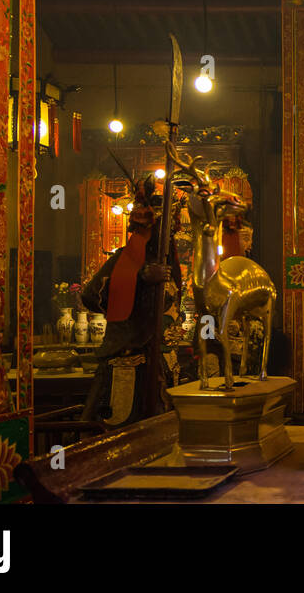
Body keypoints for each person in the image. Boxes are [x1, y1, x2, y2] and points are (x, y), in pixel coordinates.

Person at [81, 177, 175, 425]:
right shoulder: (125, 260)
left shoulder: (165, 262)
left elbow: (168, 301)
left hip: (154, 357)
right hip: (124, 356)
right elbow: (90, 295)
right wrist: (139, 278)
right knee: (115, 428)